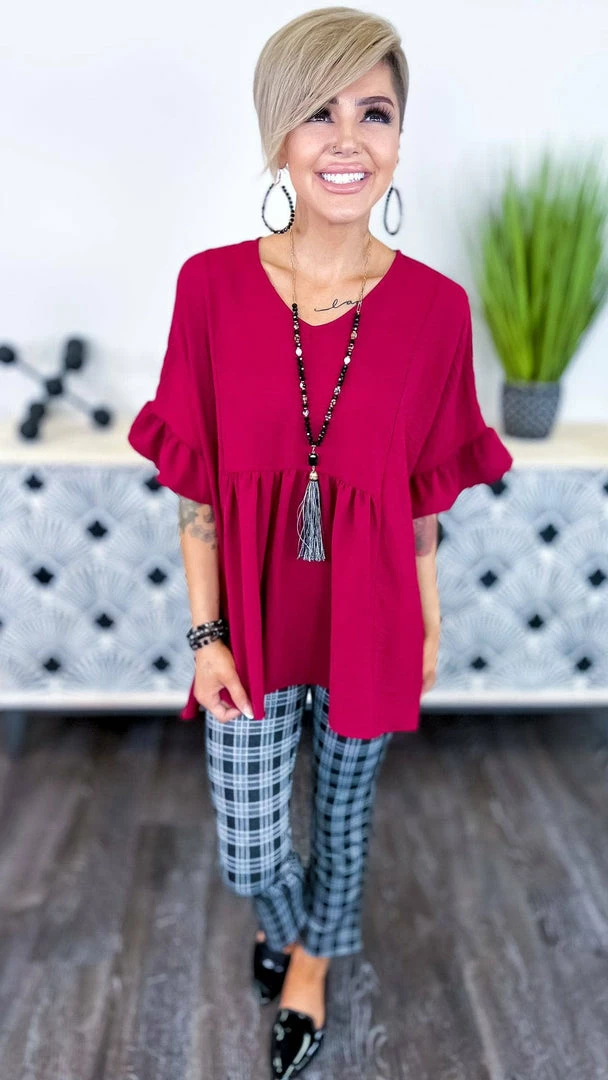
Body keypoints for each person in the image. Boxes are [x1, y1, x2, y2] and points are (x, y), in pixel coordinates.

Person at [127, 7, 514, 1077]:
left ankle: (308, 962)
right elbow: (196, 485)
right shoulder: (209, 288)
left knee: (344, 815)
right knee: (250, 843)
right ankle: (288, 919)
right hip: (250, 624)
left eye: (373, 113)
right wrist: (205, 635)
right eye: (318, 113)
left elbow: (420, 494)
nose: (348, 139)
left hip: (371, 617)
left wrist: (428, 619)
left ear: (398, 137)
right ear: (278, 138)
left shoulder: (436, 310)